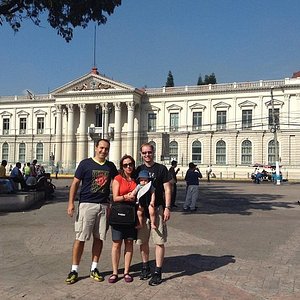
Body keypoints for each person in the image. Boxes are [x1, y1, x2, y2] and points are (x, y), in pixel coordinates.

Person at [65, 139, 118, 285]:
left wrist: (115, 201)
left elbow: (115, 183)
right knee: (80, 238)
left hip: (103, 205)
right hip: (87, 205)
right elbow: (75, 183)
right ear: (96, 148)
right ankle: (74, 269)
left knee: (99, 238)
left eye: (106, 149)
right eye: (101, 148)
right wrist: (71, 203)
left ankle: (94, 268)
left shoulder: (110, 166)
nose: (103, 151)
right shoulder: (85, 164)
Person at [136, 142, 172, 286]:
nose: (147, 155)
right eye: (144, 153)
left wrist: (167, 207)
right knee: (143, 241)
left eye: (149, 152)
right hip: (142, 211)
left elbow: (167, 189)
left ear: (153, 152)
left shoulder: (161, 169)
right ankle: (145, 267)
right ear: (141, 154)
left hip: (156, 209)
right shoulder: (139, 169)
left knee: (159, 241)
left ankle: (158, 271)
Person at [109, 155, 137, 284]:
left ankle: (126, 271)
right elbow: (115, 197)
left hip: (131, 215)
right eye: (125, 165)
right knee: (116, 244)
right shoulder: (118, 178)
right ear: (122, 166)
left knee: (129, 243)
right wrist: (126, 196)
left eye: (130, 164)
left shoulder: (136, 179)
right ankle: (115, 272)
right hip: (118, 214)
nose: (128, 167)